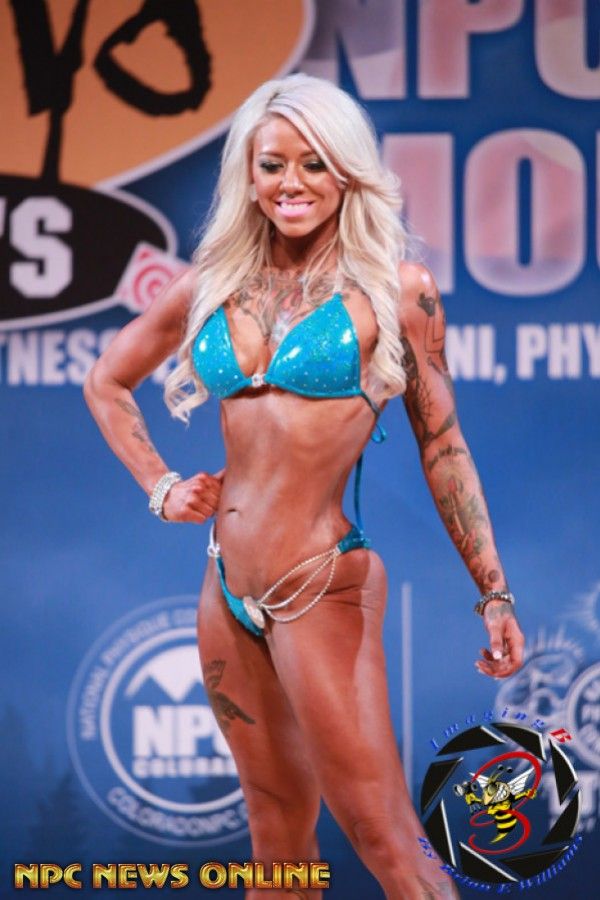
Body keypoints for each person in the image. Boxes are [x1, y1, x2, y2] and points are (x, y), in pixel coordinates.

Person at [84, 74, 525, 900]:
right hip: (225, 589)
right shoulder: (215, 281)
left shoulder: (398, 290)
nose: (291, 183)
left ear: (347, 172)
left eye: (314, 164)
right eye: (273, 164)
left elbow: (443, 446)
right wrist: (160, 485)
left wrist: (493, 592)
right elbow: (107, 380)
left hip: (320, 588)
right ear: (248, 176)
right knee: (277, 838)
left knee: (385, 838)